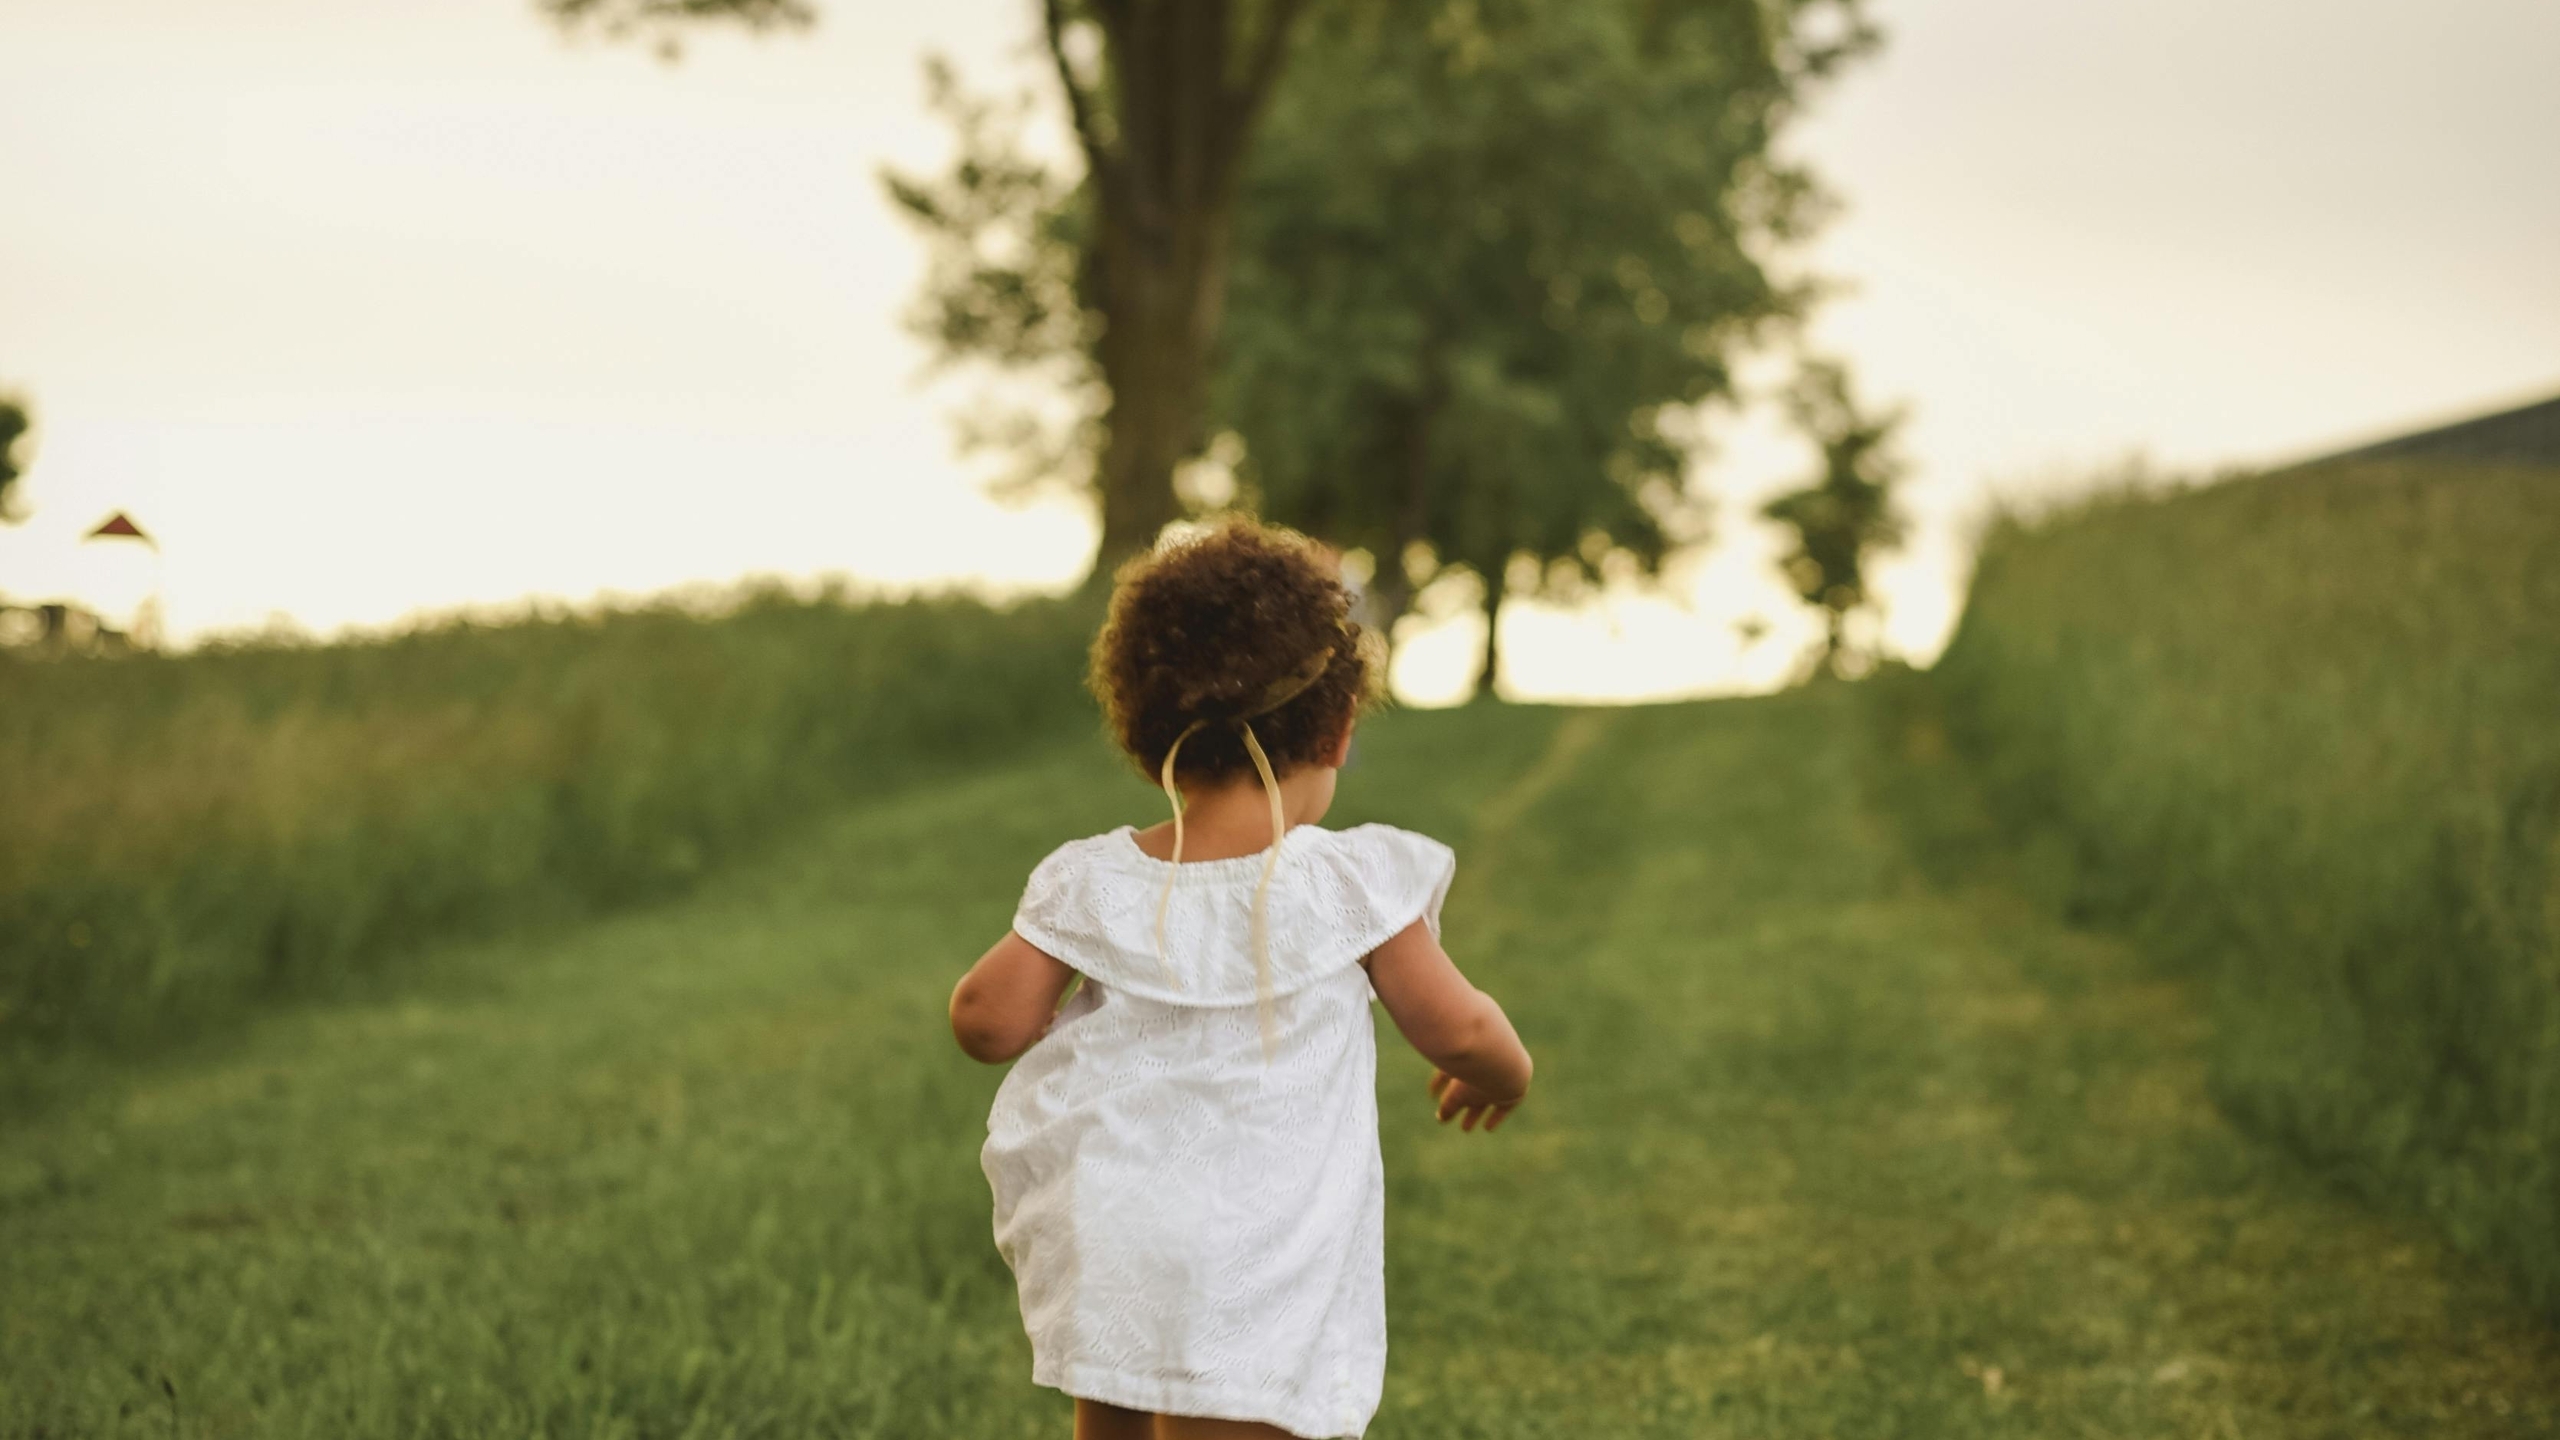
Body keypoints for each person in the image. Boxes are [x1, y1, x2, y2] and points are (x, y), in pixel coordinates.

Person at [949, 519, 1536, 1440]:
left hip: (1115, 1228)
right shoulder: (1350, 883)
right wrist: (1504, 1073)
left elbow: (987, 1020)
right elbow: (1458, 1029)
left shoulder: (1094, 880)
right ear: (1340, 730)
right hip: (1258, 1251)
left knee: (1118, 1415)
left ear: (1145, 732)